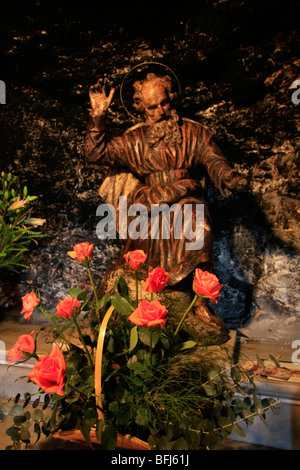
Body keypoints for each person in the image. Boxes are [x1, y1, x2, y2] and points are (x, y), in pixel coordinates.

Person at [84, 72, 247, 328]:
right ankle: (151, 299)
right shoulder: (134, 140)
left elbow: (213, 159)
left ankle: (200, 304)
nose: (160, 110)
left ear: (171, 98)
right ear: (142, 109)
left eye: (164, 102)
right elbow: (96, 153)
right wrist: (98, 116)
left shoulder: (193, 131)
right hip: (151, 203)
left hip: (185, 199)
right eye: (152, 107)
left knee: (199, 227)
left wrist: (228, 176)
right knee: (141, 238)